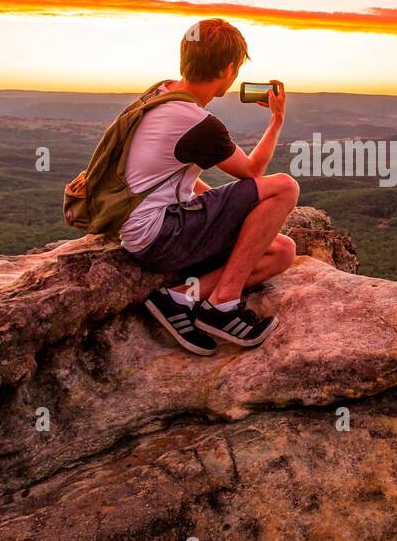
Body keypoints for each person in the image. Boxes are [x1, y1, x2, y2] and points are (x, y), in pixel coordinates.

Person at [123, 18, 299, 355]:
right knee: (284, 188)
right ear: (230, 69)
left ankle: (177, 299)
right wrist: (277, 120)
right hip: (160, 236)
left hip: (143, 229)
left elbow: (169, 173)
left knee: (281, 251)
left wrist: (222, 212)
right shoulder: (197, 122)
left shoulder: (158, 96)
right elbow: (251, 171)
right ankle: (222, 304)